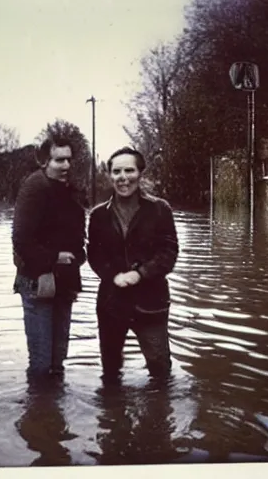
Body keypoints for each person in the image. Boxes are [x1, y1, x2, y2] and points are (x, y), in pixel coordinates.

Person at [87, 146, 179, 383]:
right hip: (111, 302)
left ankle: (159, 417)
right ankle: (113, 417)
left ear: (140, 174)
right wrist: (113, 276)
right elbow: (94, 256)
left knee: (160, 371)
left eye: (129, 170)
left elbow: (168, 253)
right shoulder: (98, 215)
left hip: (151, 302)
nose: (123, 177)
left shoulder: (160, 209)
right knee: (110, 373)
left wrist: (140, 274)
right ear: (110, 176)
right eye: (116, 172)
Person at [12, 134, 86, 383]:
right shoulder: (34, 187)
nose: (65, 166)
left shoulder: (70, 191)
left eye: (68, 160)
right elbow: (21, 240)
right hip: (37, 281)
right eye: (58, 160)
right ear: (45, 161)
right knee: (42, 364)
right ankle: (37, 415)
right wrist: (54, 257)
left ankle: (53, 416)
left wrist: (79, 254)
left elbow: (77, 235)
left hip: (64, 282)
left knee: (57, 363)